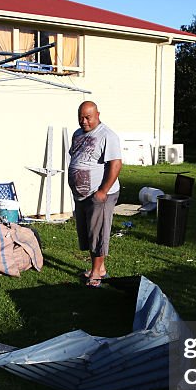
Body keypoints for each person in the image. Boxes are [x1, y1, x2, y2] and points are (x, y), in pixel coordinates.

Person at [68, 101, 122, 287]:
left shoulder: (107, 135)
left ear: (97, 114)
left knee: (97, 233)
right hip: (82, 196)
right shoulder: (77, 134)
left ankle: (96, 274)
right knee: (88, 233)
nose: (83, 121)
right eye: (80, 117)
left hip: (100, 195)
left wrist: (103, 191)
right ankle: (100, 268)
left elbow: (116, 165)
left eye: (87, 117)